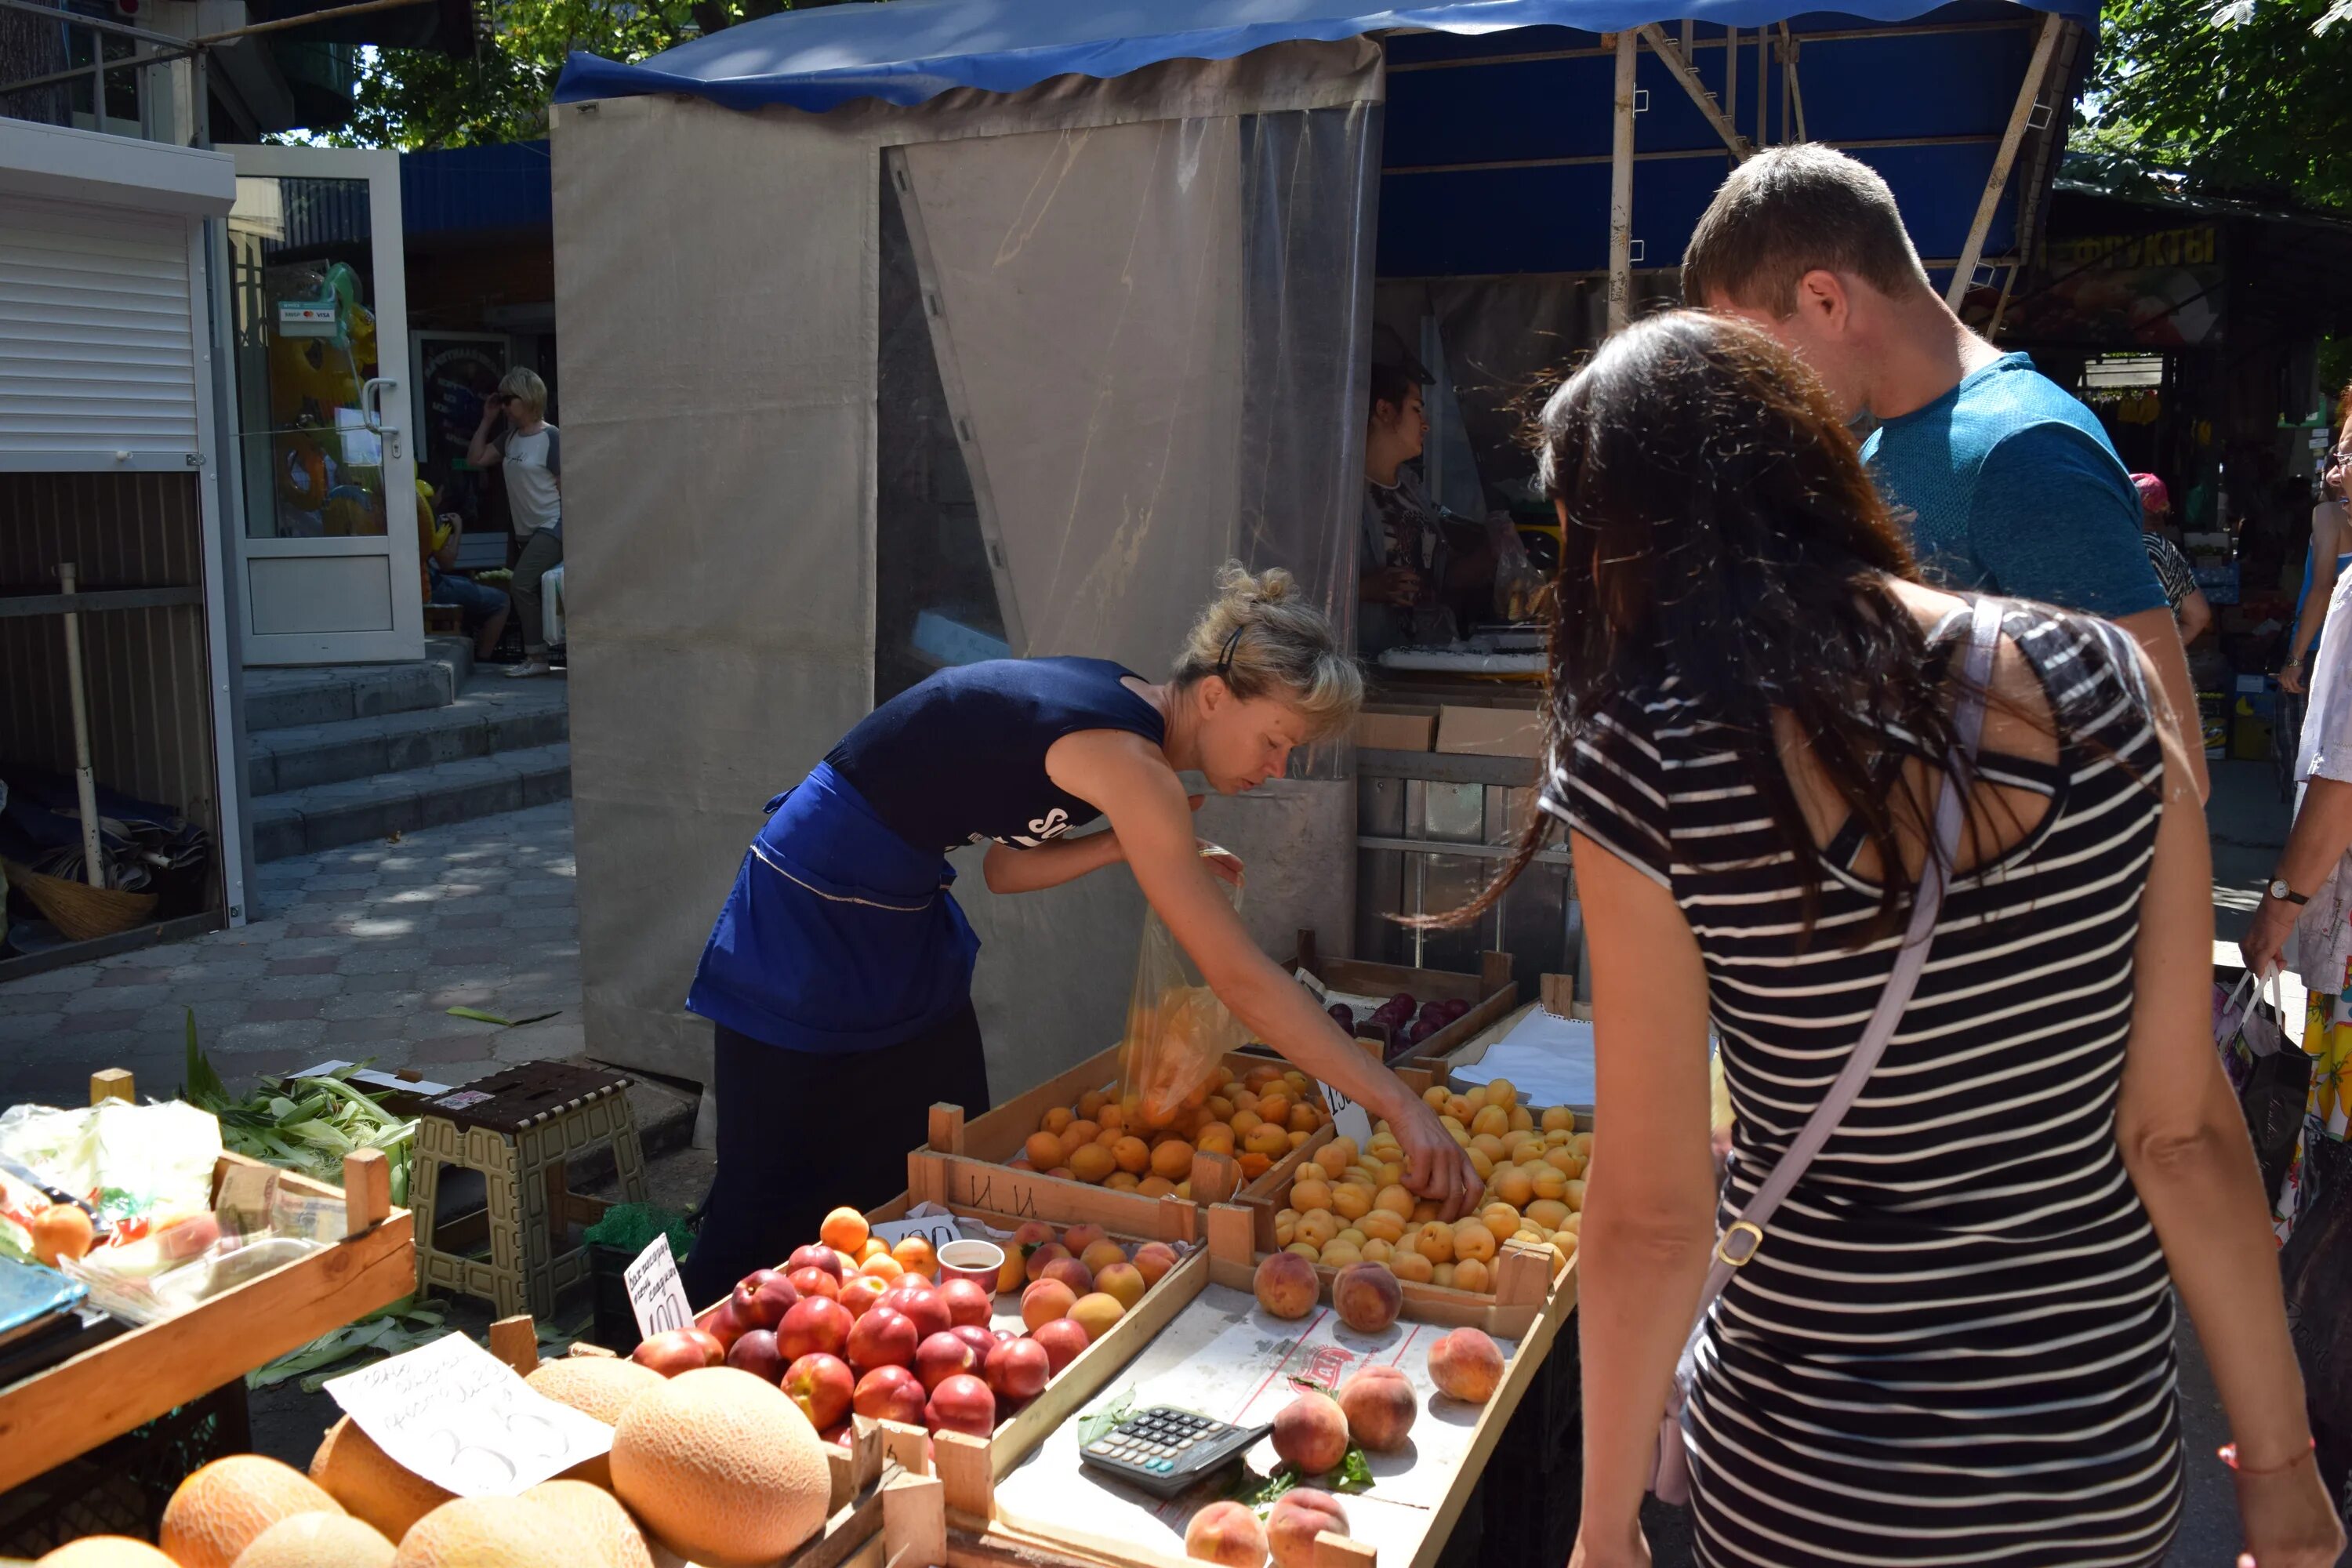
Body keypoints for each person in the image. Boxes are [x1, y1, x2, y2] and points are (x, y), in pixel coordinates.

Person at [1443, 312, 2338, 1568]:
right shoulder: (2110, 688)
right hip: (2089, 1460)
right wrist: (2282, 1465)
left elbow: (1653, 1213)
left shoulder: (1645, 753)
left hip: (1808, 1477)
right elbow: (2180, 1132)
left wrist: (1602, 1534)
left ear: (1622, 537)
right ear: (1824, 460)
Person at [678, 564, 1483, 1301]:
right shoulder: (1132, 758)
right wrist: (1397, 1104)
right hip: (807, 906)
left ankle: (897, 1324)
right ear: (1213, 696)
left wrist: (1124, 844)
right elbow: (1237, 978)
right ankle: (659, 1384)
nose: (1277, 767)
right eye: (1276, 739)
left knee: (942, 1175)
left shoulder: (1130, 719)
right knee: (765, 1195)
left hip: (903, 910)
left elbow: (1003, 867)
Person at [1682, 144, 2209, 800]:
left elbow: (2168, 763)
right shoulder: (1886, 442)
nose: (1753, 378)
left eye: (1753, 343)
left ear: (1823, 300)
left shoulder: (2024, 449)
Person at [1359, 363, 1496, 655]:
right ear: (1384, 410)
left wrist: (1493, 554)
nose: (1426, 424)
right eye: (1416, 409)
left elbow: (1439, 578)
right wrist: (1367, 589)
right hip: (1370, 659)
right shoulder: (1342, 493)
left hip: (1428, 654)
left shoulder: (1411, 487)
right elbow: (1302, 578)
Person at [467, 368, 562, 679]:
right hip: (525, 530)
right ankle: (536, 655)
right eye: (502, 400)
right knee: (529, 589)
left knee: (521, 584)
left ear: (528, 398)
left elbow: (567, 487)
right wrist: (487, 419)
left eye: (509, 399)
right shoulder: (509, 438)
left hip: (553, 524)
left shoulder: (551, 437)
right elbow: (476, 460)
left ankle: (537, 657)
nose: (505, 405)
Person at [2281, 384, 2352, 696]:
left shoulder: (2328, 515)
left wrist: (2296, 657)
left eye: (2344, 458)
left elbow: (2322, 587)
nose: (2335, 472)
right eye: (2337, 458)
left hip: (2320, 649)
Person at [414, 481, 510, 659]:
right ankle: (483, 659)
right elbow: (447, 563)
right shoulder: (425, 519)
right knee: (502, 601)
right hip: (431, 590)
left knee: (466, 583)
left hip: (425, 584)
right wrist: (457, 530)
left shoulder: (411, 514)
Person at [2133, 472, 2212, 644]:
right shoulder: (2168, 550)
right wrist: (2168, 652)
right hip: (2160, 663)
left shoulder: (2129, 549)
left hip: (2126, 665)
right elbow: (2200, 616)